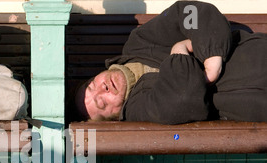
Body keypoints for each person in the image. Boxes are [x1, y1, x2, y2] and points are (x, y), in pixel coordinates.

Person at [74, 1, 267, 124]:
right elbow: (182, 99)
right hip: (257, 102)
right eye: (101, 103)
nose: (103, 89)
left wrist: (212, 57)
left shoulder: (139, 42)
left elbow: (189, 12)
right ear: (113, 117)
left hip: (257, 55)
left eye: (92, 86)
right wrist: (179, 51)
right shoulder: (138, 109)